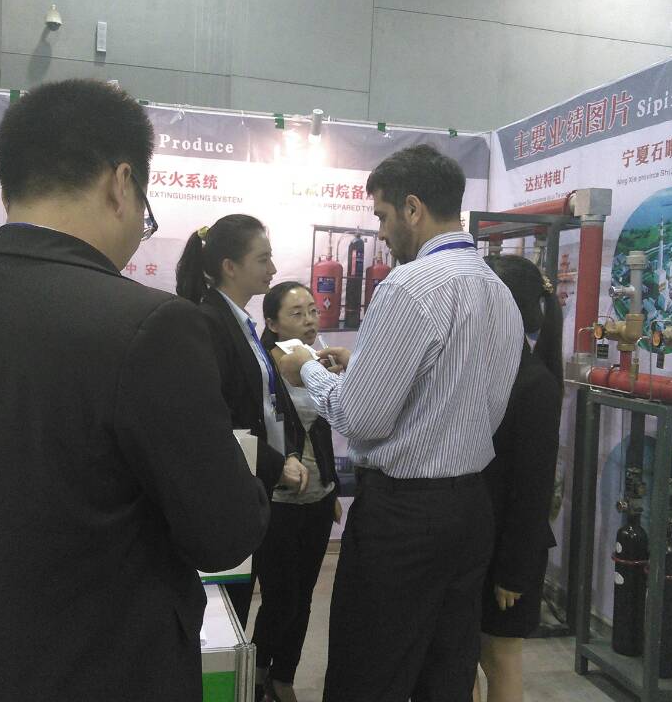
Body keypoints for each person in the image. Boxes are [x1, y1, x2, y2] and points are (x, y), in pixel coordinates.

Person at [0, 79, 269, 702]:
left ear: (8, 189)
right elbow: (223, 535)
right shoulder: (152, 326)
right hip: (113, 674)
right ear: (121, 183)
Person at [278, 143, 524, 702]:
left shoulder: (409, 287)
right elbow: (460, 392)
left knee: (370, 673)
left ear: (413, 208)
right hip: (469, 509)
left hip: (404, 519)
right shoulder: (498, 291)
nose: (382, 232)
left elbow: (360, 418)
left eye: (384, 216)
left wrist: (307, 370)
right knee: (446, 673)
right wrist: (362, 366)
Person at [176, 216, 309, 626]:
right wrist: (275, 463)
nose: (273, 269)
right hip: (231, 489)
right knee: (227, 613)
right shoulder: (209, 323)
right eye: (262, 259)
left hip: (255, 482)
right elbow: (217, 419)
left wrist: (288, 453)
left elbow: (268, 403)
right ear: (230, 267)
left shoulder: (241, 323)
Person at [474, 255, 564, 702]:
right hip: (475, 541)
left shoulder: (534, 384)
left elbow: (533, 490)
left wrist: (512, 571)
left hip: (510, 553)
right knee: (462, 653)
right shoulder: (489, 371)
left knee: (500, 658)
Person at [254, 282, 343, 702]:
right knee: (279, 597)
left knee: (304, 596)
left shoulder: (317, 358)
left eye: (312, 310)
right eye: (296, 313)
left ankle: (283, 677)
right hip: (278, 500)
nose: (309, 321)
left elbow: (324, 428)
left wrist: (332, 487)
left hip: (318, 498)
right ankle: (257, 673)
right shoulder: (263, 366)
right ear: (272, 323)